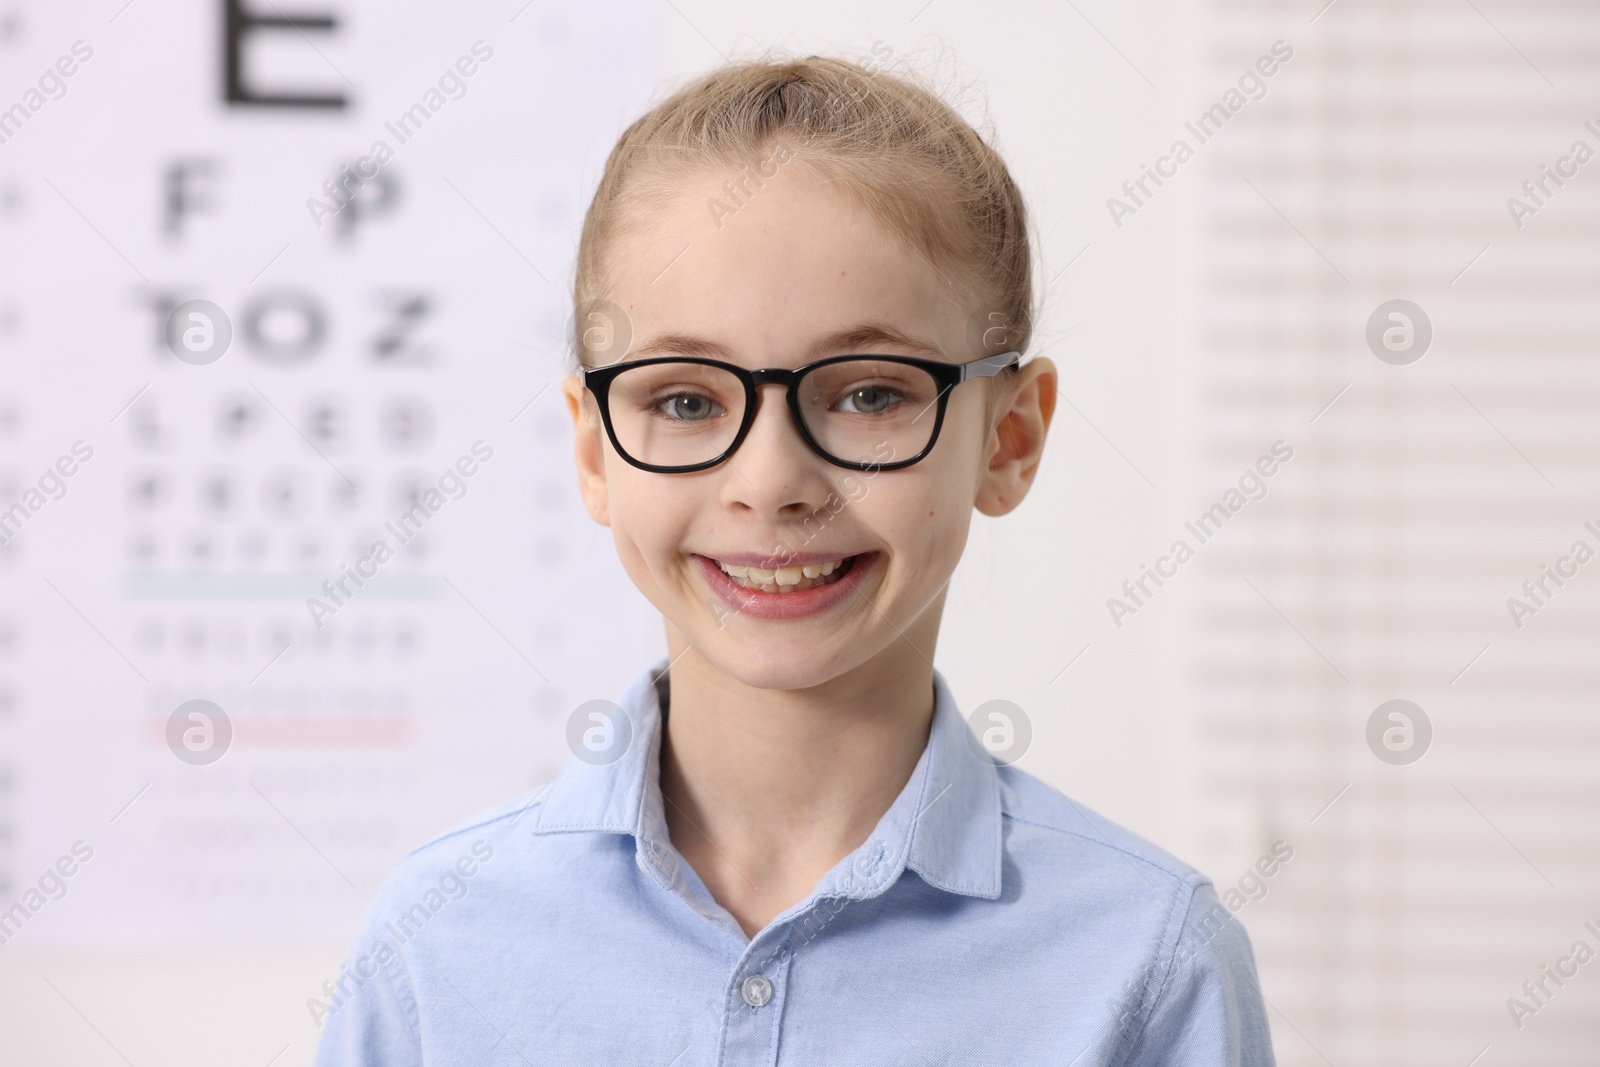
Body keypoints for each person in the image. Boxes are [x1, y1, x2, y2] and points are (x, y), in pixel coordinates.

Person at [313, 54, 1275, 1066]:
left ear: (1010, 437)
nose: (769, 480)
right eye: (685, 400)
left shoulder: (1149, 960)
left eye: (867, 393)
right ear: (595, 450)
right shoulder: (434, 941)